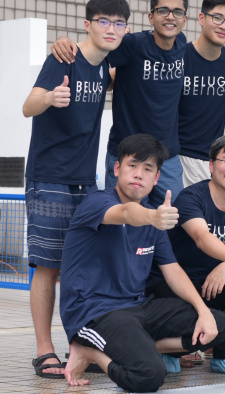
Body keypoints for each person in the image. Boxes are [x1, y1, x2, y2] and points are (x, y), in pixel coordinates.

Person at [59, 134, 225, 392]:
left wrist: (203, 311)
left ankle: (139, 347)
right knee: (148, 377)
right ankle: (89, 351)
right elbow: (127, 213)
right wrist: (153, 216)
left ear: (157, 177)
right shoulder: (98, 202)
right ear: (117, 169)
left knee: (218, 324)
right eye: (132, 165)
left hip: (138, 307)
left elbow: (173, 271)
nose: (139, 174)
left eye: (148, 169)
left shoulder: (154, 221)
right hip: (93, 312)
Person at [22, 0, 130, 379]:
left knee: (81, 268)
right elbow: (27, 105)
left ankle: (78, 346)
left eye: (119, 23)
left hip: (86, 180)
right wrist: (50, 97)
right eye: (104, 21)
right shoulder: (64, 59)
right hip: (49, 176)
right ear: (87, 24)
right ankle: (43, 350)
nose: (111, 28)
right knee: (48, 266)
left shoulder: (105, 69)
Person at [147, 134, 225, 376]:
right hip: (175, 286)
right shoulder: (191, 197)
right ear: (212, 165)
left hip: (214, 283)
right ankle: (168, 349)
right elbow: (202, 238)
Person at [51, 0, 190, 207]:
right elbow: (96, 52)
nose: (170, 16)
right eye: (163, 10)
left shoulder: (181, 43)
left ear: (185, 19)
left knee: (171, 225)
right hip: (127, 155)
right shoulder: (133, 44)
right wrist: (65, 42)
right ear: (151, 17)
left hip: (166, 158)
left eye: (177, 12)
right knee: (121, 226)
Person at [178, 0, 225, 187]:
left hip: (210, 160)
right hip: (174, 156)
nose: (224, 26)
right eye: (217, 18)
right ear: (201, 18)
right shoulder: (180, 55)